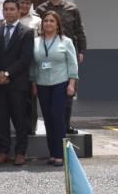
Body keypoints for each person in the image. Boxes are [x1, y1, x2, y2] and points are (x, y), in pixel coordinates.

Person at [35, 0, 86, 135]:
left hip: (67, 52)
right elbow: (37, 30)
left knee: (69, 91)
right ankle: (55, 125)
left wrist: (81, 51)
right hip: (48, 55)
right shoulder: (40, 10)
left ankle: (65, 124)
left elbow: (79, 30)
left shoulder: (72, 8)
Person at [30, 11, 78, 167]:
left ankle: (60, 154)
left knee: (58, 118)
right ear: (42, 24)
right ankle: (52, 153)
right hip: (42, 84)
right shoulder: (36, 42)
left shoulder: (66, 41)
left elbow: (72, 63)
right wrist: (33, 83)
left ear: (57, 25)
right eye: (46, 21)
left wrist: (71, 84)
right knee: (48, 119)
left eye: (52, 21)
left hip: (60, 83)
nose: (48, 23)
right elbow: (33, 65)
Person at [0, 0, 34, 166]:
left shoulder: (27, 32)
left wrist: (7, 73)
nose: (8, 12)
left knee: (20, 120)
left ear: (18, 11)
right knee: (1, 120)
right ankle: (3, 152)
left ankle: (21, 152)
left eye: (11, 9)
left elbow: (25, 58)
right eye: (6, 9)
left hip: (17, 84)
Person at [17, 0, 41, 135]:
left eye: (27, 3)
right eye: (22, 3)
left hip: (31, 62)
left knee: (31, 96)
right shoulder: (11, 17)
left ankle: (31, 127)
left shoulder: (37, 20)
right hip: (14, 62)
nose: (24, 6)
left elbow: (40, 42)